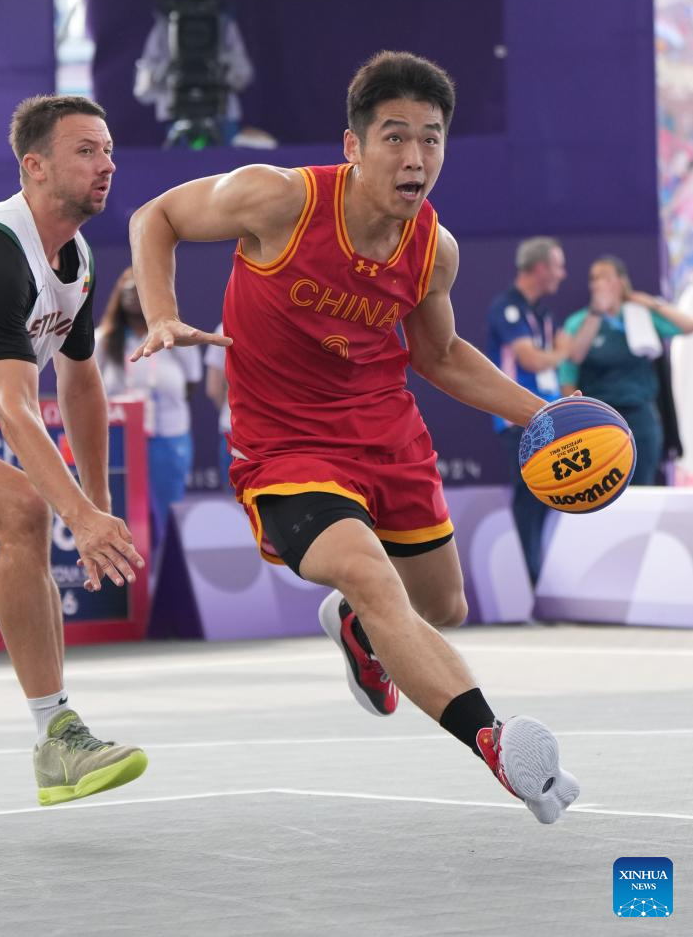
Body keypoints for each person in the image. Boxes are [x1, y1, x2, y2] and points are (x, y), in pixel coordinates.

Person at [128, 50, 580, 824]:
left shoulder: (433, 249)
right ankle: (495, 742)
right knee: (373, 577)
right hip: (286, 451)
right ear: (353, 145)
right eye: (394, 136)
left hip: (385, 434)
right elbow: (155, 217)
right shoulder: (278, 199)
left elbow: (439, 354)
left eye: (430, 138)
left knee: (441, 604)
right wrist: (162, 311)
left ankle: (354, 626)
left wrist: (539, 412)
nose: (414, 157)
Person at [0, 95, 147, 805]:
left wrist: (98, 504)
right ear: (35, 165)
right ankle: (57, 738)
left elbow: (81, 384)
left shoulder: (77, 263)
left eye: (108, 150)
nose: (106, 164)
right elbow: (16, 406)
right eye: (86, 150)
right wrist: (74, 514)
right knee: (22, 508)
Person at [559, 255, 693, 484]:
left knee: (641, 486)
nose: (597, 284)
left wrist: (650, 303)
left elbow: (687, 325)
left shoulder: (641, 315)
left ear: (621, 281)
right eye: (593, 279)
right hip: (600, 418)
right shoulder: (578, 321)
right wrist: (596, 313)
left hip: (640, 416)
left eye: (604, 277)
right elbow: (572, 359)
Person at [96, 267, 202, 538]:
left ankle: (165, 560)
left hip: (167, 435)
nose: (132, 295)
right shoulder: (104, 339)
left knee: (167, 509)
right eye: (127, 289)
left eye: (138, 289)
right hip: (118, 438)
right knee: (121, 509)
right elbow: (90, 389)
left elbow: (191, 383)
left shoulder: (178, 337)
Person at [486, 237, 569, 584]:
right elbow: (531, 359)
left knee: (549, 496)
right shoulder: (507, 307)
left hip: (548, 416)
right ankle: (531, 580)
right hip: (519, 417)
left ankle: (542, 577)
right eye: (558, 266)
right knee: (530, 496)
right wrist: (560, 353)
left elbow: (558, 355)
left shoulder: (543, 314)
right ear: (540, 268)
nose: (563, 274)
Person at [133, 0, 254, 146]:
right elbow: (146, 76)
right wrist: (169, 67)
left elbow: (243, 70)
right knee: (180, 162)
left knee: (224, 161)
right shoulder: (164, 28)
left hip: (219, 110)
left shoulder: (223, 26)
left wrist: (220, 66)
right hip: (177, 107)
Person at [204, 321, 232, 489]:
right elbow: (213, 389)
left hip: (235, 428)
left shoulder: (225, 327)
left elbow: (213, 388)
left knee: (237, 501)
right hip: (280, 431)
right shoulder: (224, 329)